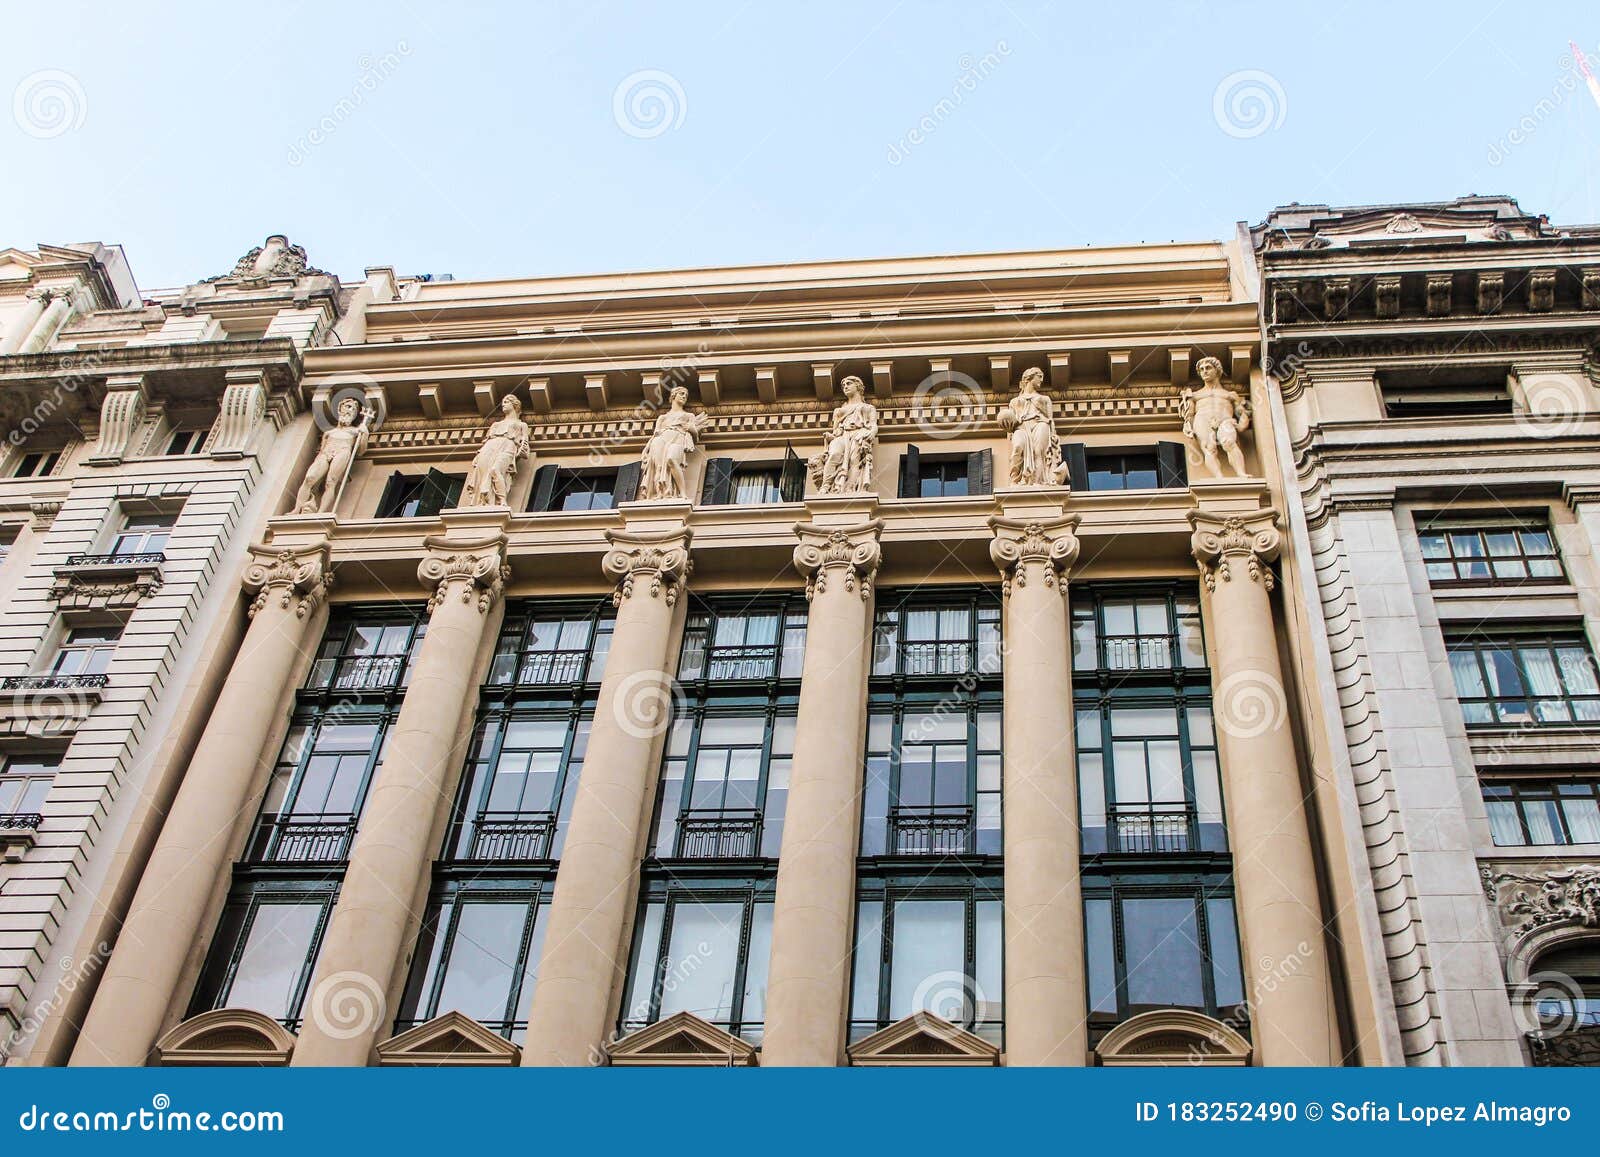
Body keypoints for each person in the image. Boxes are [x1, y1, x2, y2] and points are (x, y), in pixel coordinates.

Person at [294, 396, 371, 514]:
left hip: (343, 452)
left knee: (331, 482)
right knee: (309, 478)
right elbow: (321, 450)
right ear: (340, 409)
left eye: (354, 410)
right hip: (325, 453)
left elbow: (361, 451)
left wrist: (365, 433)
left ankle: (321, 512)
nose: (350, 411)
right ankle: (296, 509)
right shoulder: (328, 433)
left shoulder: (355, 431)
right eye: (348, 407)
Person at [1181, 356, 1251, 477]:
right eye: (1202, 369)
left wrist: (1241, 426)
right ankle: (1219, 478)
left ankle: (1241, 473)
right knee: (1209, 447)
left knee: (1229, 442)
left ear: (1217, 370)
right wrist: (1189, 427)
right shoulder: (1194, 395)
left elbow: (1242, 413)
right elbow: (1189, 415)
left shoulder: (1230, 395)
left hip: (1225, 420)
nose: (1204, 371)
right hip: (1202, 420)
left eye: (1208, 368)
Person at [998, 367, 1068, 486]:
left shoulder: (1045, 399)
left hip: (1040, 424)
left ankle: (1037, 481)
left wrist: (1051, 431)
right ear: (1029, 378)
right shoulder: (1014, 401)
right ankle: (1015, 480)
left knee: (1038, 451)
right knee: (1018, 447)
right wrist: (1006, 424)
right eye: (1039, 377)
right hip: (1021, 427)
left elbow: (1050, 420)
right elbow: (1011, 423)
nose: (1041, 380)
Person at [809, 374, 878, 494]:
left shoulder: (868, 408)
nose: (845, 387)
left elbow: (873, 425)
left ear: (858, 386)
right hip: (843, 435)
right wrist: (830, 436)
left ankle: (850, 488)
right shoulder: (838, 411)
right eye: (844, 385)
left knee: (854, 461)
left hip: (859, 434)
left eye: (849, 384)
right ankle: (826, 486)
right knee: (834, 454)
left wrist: (872, 432)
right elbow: (836, 431)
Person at [638, 385, 707, 500]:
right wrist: (647, 449)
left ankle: (682, 492)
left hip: (678, 437)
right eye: (682, 394)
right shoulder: (662, 417)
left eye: (686, 395)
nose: (684, 397)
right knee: (659, 467)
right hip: (660, 440)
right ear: (673, 395)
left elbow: (695, 436)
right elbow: (655, 434)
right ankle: (660, 493)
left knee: (671, 459)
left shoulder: (688, 416)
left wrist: (691, 429)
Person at [463, 394, 532, 506]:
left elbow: (525, 443)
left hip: (508, 446)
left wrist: (522, 450)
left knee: (495, 470)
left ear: (514, 405)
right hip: (490, 447)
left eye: (506, 402)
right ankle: (483, 501)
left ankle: (501, 501)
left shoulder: (521, 425)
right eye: (503, 402)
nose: (503, 404)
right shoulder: (496, 424)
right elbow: (487, 440)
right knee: (483, 473)